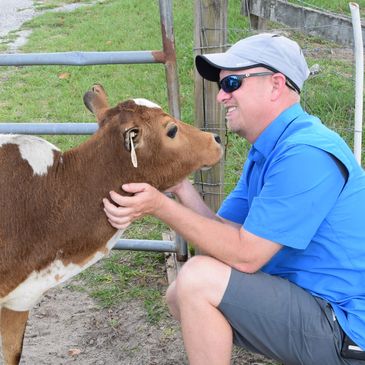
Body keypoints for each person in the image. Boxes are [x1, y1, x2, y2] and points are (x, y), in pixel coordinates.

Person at [102, 33, 365, 365]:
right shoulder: (268, 150)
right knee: (180, 293)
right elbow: (222, 236)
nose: (222, 96)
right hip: (315, 307)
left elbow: (245, 257)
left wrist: (159, 206)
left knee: (198, 282)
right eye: (221, 86)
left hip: (347, 330)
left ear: (276, 85)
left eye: (233, 83)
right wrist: (182, 189)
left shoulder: (306, 153)